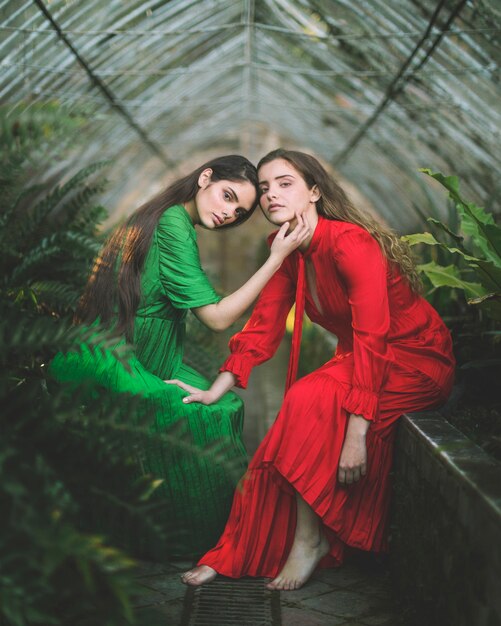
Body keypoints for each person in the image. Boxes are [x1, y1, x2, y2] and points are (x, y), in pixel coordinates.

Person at [177, 149, 455, 589]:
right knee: (297, 418)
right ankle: (237, 550)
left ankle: (309, 542)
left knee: (308, 398)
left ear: (314, 192)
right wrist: (216, 389)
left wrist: (357, 434)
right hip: (360, 360)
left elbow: (372, 336)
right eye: (264, 188)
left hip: (414, 359)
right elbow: (263, 329)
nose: (271, 195)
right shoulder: (283, 247)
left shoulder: (350, 242)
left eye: (284, 183)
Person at [49, 154, 310, 557]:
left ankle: (214, 534)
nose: (228, 212)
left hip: (142, 354)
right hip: (120, 359)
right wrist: (276, 259)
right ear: (204, 178)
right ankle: (207, 540)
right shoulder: (173, 224)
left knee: (216, 406)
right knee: (209, 418)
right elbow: (218, 319)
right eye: (226, 196)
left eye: (238, 210)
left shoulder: (167, 217)